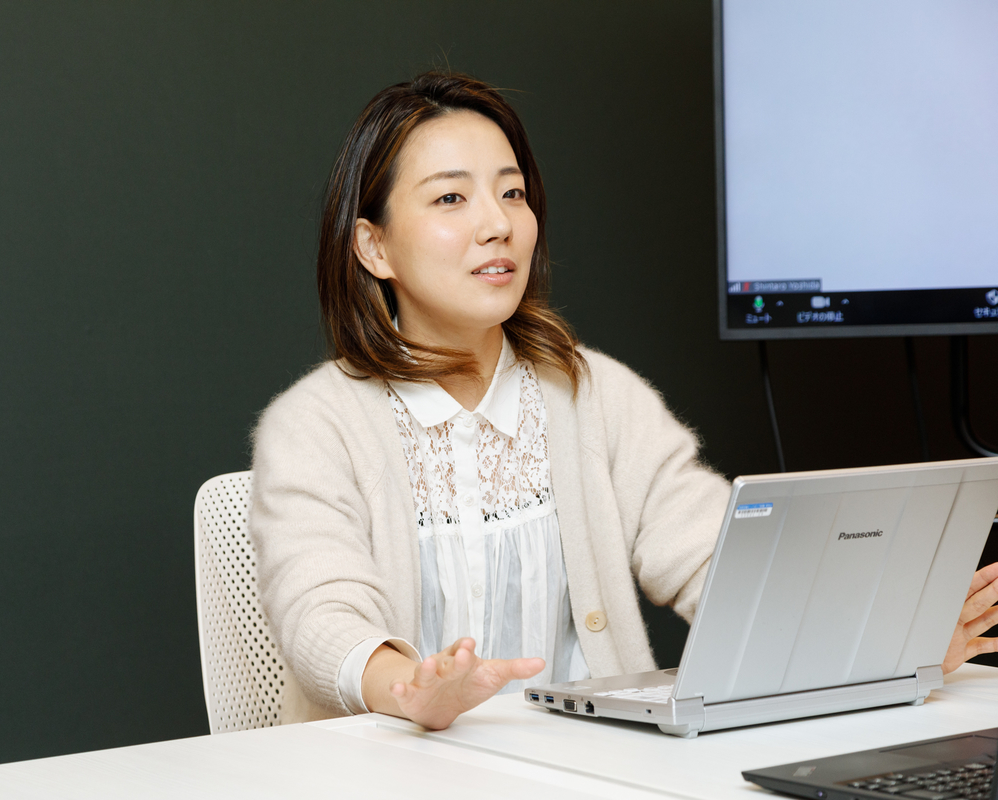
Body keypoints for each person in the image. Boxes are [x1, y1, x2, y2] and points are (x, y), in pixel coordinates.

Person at [248, 71, 998, 731]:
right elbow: (322, 613)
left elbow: (717, 560)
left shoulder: (593, 391)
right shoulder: (313, 425)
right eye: (452, 197)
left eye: (513, 192)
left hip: (593, 773)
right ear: (373, 248)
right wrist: (411, 691)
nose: (498, 223)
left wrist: (886, 639)